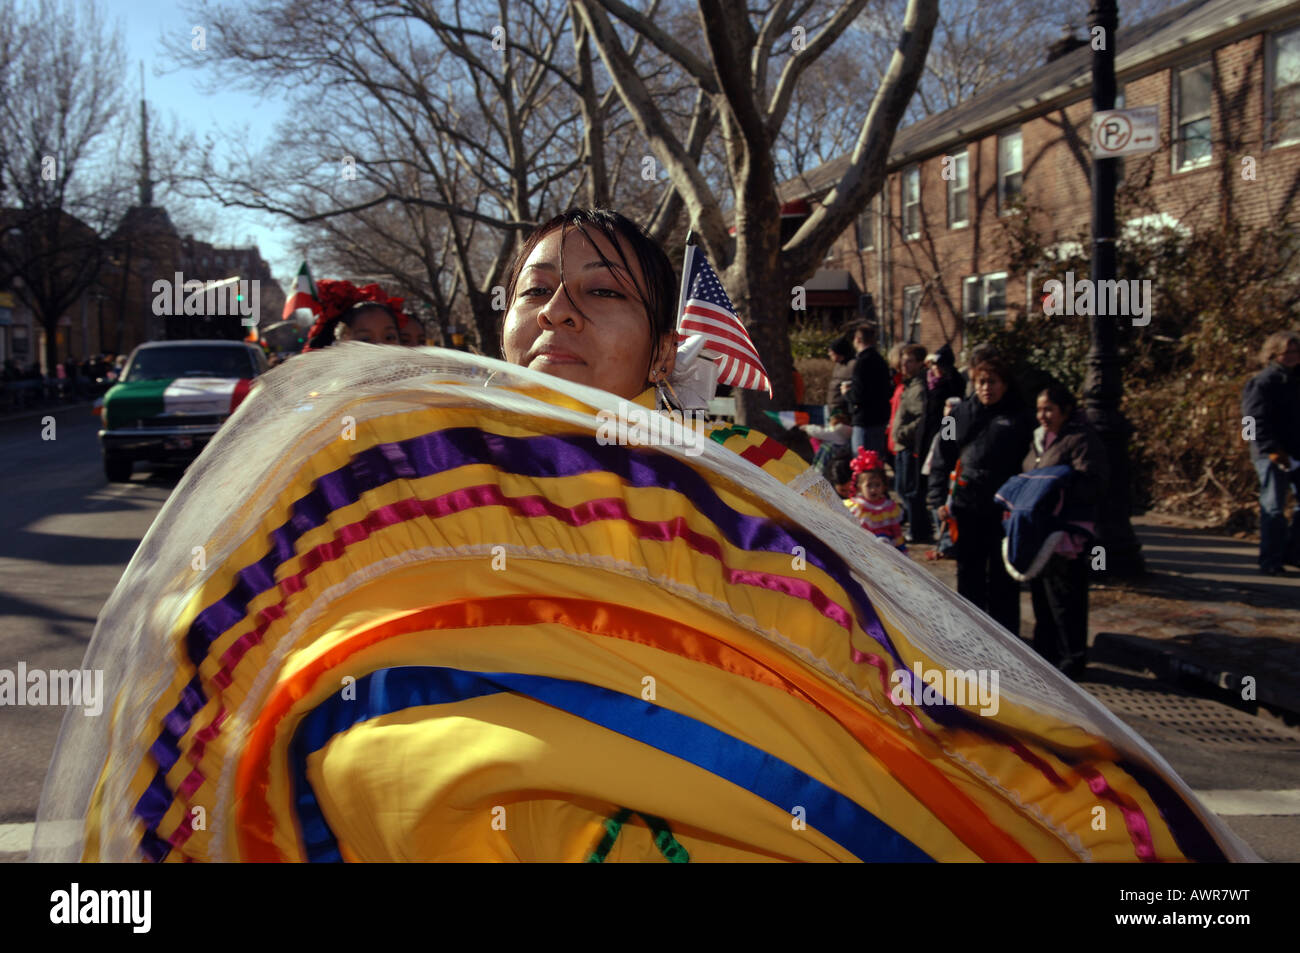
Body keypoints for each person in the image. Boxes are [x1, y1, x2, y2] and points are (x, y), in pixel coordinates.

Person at [33, 208, 1254, 865]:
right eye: (535, 286)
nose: (558, 304)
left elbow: (872, 692)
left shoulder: (759, 488)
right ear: (496, 323)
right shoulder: (384, 486)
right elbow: (246, 657)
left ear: (667, 349)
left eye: (601, 289)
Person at [928, 355, 1032, 634]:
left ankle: (1006, 634)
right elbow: (941, 458)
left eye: (993, 382)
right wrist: (937, 499)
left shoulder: (1020, 416)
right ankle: (970, 631)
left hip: (1004, 509)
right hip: (966, 506)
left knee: (1003, 576)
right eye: (981, 382)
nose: (987, 388)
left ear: (1005, 384)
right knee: (968, 572)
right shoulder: (959, 415)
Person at [1019, 385, 1109, 679]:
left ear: (1065, 410)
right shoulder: (1039, 439)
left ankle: (1072, 658)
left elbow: (1091, 483)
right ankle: (1046, 655)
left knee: (1066, 599)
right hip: (1040, 531)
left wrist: (1056, 488)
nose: (1042, 415)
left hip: (1067, 533)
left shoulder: (1080, 440)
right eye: (1039, 409)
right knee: (1043, 599)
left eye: (1049, 409)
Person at [1241, 330, 1300, 575]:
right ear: (1274, 354)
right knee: (1273, 507)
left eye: (1296, 352)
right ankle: (1270, 560)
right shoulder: (1262, 382)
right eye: (1287, 352)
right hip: (1271, 453)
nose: (1292, 357)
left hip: (1297, 449)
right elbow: (1250, 422)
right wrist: (1268, 449)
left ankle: (1293, 552)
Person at [917, 345, 965, 556]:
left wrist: (948, 419)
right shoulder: (929, 382)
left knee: (945, 495)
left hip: (946, 431)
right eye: (932, 364)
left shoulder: (953, 385)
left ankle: (947, 541)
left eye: (938, 364)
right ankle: (944, 539)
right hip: (931, 438)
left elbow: (948, 440)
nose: (934, 368)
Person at [891, 344, 930, 543]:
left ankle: (918, 529)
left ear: (920, 363)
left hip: (908, 446)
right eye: (903, 360)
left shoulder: (918, 388)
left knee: (909, 490)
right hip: (900, 445)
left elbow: (921, 418)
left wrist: (902, 433)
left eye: (910, 361)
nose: (904, 364)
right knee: (900, 488)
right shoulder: (908, 385)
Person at [302, 280, 406, 350]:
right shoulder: (332, 383)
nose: (380, 346)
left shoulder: (414, 380)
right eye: (365, 340)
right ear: (343, 341)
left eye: (389, 337)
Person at [844, 449, 906, 552]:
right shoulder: (857, 507)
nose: (873, 489)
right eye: (869, 485)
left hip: (888, 552)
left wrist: (902, 550)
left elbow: (896, 532)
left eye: (877, 485)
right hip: (865, 551)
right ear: (859, 487)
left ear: (884, 486)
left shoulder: (889, 507)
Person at [848, 322, 892, 455]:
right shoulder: (880, 361)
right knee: (875, 460)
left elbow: (858, 395)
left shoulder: (861, 363)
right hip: (880, 418)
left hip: (864, 419)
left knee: (862, 461)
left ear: (858, 339)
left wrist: (847, 393)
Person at [825, 336, 855, 422]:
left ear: (838, 351)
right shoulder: (838, 365)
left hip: (844, 413)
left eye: (831, 351)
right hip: (834, 410)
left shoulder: (852, 365)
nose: (829, 354)